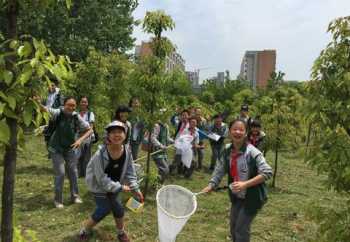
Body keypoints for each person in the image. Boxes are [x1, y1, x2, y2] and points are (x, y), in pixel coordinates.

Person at [202, 119, 272, 242]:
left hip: (253, 197)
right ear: (229, 132)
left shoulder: (253, 152)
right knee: (233, 227)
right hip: (237, 197)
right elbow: (220, 169)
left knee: (241, 229)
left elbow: (267, 172)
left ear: (246, 133)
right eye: (234, 129)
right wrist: (212, 184)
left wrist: (245, 184)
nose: (237, 132)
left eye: (241, 129)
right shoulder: (227, 150)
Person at [79, 121, 143, 242]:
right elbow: (101, 179)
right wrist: (120, 187)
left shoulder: (127, 152)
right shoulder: (100, 155)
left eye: (120, 132)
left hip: (115, 184)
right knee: (104, 209)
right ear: (108, 136)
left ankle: (121, 232)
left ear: (125, 135)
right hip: (99, 186)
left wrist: (135, 188)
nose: (117, 135)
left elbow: (130, 171)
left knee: (118, 208)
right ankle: (85, 230)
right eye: (113, 132)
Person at [36, 96, 92, 208]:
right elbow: (45, 109)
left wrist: (80, 141)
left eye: (73, 105)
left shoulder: (76, 117)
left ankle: (75, 196)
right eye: (69, 105)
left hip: (70, 148)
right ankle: (58, 200)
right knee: (60, 173)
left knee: (73, 172)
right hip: (56, 148)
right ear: (64, 105)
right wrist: (37, 102)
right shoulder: (58, 112)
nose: (71, 107)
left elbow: (89, 130)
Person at [77, 96, 96, 177]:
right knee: (78, 156)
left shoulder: (90, 114)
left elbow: (91, 127)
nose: (83, 103)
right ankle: (79, 173)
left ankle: (86, 174)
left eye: (85, 102)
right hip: (78, 137)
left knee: (87, 156)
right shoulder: (77, 114)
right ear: (79, 103)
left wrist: (84, 134)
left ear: (87, 103)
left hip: (88, 137)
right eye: (82, 101)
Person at [170, 109, 190, 174]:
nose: (184, 116)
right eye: (183, 115)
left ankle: (177, 170)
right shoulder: (180, 123)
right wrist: (176, 113)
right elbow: (172, 121)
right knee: (177, 157)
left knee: (180, 157)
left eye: (185, 115)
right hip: (177, 142)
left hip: (185, 144)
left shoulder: (190, 125)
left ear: (188, 116)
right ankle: (173, 170)